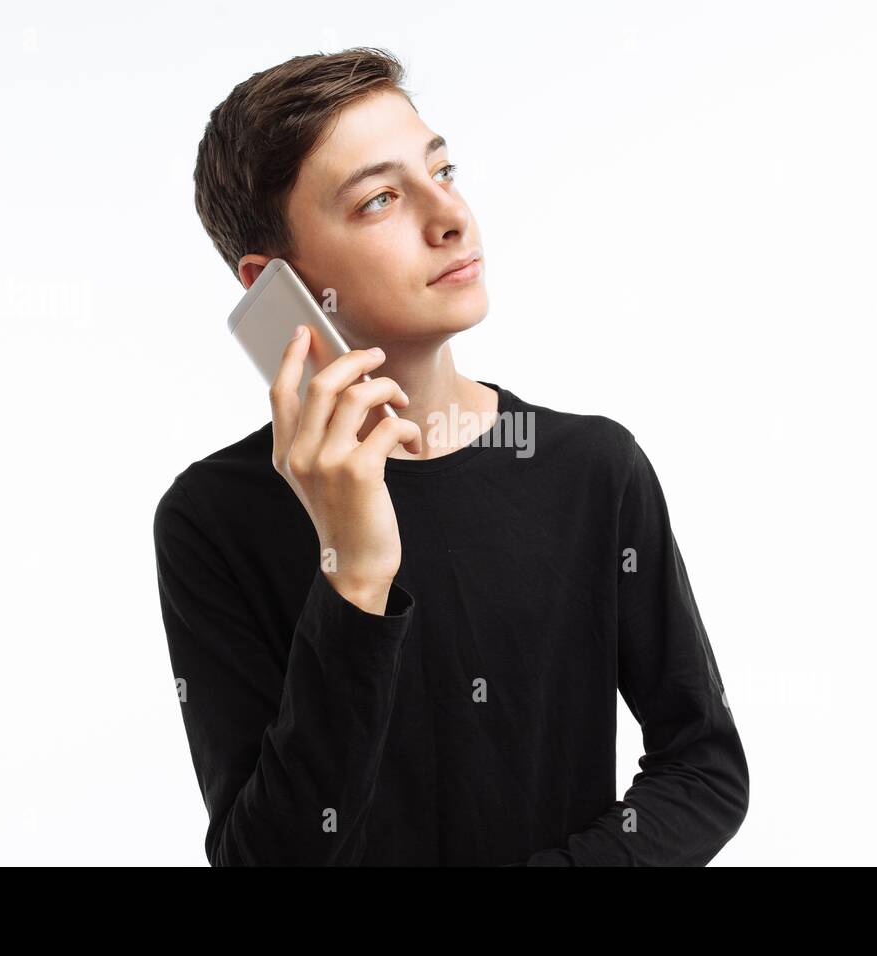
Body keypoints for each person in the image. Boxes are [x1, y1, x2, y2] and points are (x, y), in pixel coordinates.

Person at [153, 47, 750, 866]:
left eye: (444, 169)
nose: (451, 216)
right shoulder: (212, 517)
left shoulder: (592, 468)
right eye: (381, 199)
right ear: (275, 285)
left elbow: (704, 767)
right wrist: (355, 576)